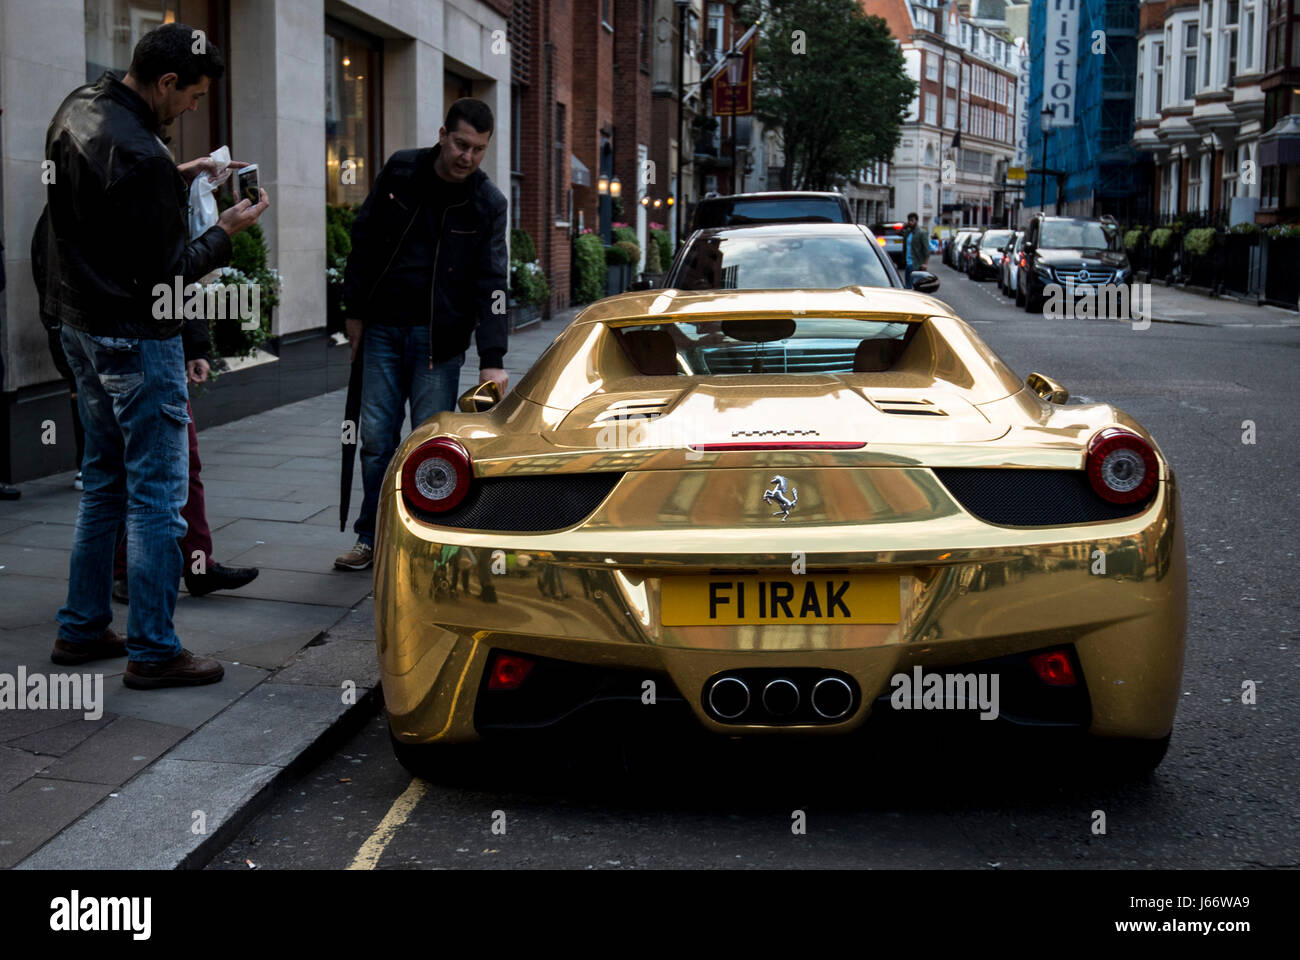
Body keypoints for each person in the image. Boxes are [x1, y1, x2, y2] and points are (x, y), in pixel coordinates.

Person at [43, 23, 268, 686]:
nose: (194, 108)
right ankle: (153, 649)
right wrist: (224, 231)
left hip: (79, 327)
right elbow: (169, 276)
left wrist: (179, 173)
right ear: (166, 82)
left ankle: (82, 629)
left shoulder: (81, 106)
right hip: (137, 337)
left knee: (104, 483)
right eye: (192, 96)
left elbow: (107, 205)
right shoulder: (140, 153)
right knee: (156, 497)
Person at [333, 98, 509, 572]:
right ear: (441, 134)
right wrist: (352, 312)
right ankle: (373, 537)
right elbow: (364, 237)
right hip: (382, 331)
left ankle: (422, 543)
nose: (467, 157)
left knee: (428, 449)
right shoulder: (401, 170)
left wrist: (492, 356)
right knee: (375, 440)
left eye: (478, 149)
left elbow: (492, 281)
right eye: (460, 144)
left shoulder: (487, 202)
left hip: (439, 344)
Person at [904, 212, 930, 289]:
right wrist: (904, 226)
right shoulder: (908, 232)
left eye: (912, 220)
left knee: (916, 287)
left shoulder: (922, 233)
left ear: (917, 221)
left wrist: (925, 264)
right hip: (907, 264)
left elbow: (926, 250)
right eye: (909, 220)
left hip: (916, 264)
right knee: (908, 288)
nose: (910, 222)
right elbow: (897, 233)